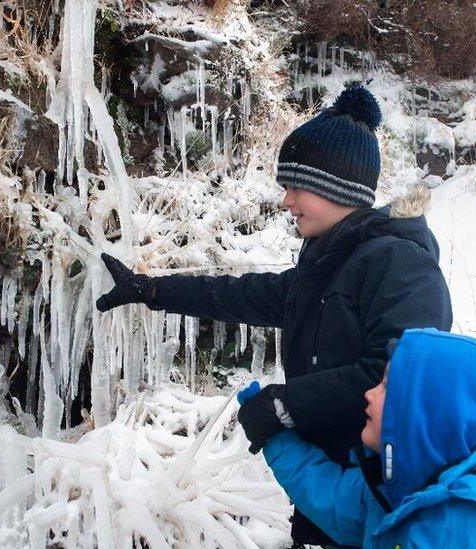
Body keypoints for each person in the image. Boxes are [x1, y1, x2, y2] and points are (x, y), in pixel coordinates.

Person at [95, 84, 452, 545]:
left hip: (381, 496)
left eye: (295, 186)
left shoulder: (399, 264)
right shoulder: (327, 263)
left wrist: (287, 404)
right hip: (329, 486)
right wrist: (154, 290)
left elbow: (400, 377)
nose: (286, 201)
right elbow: (242, 294)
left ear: (333, 185)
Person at [239, 328, 476, 548]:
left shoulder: (460, 530)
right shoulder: (410, 482)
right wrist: (275, 439)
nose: (369, 394)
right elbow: (336, 501)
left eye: (388, 386)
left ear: (428, 412)